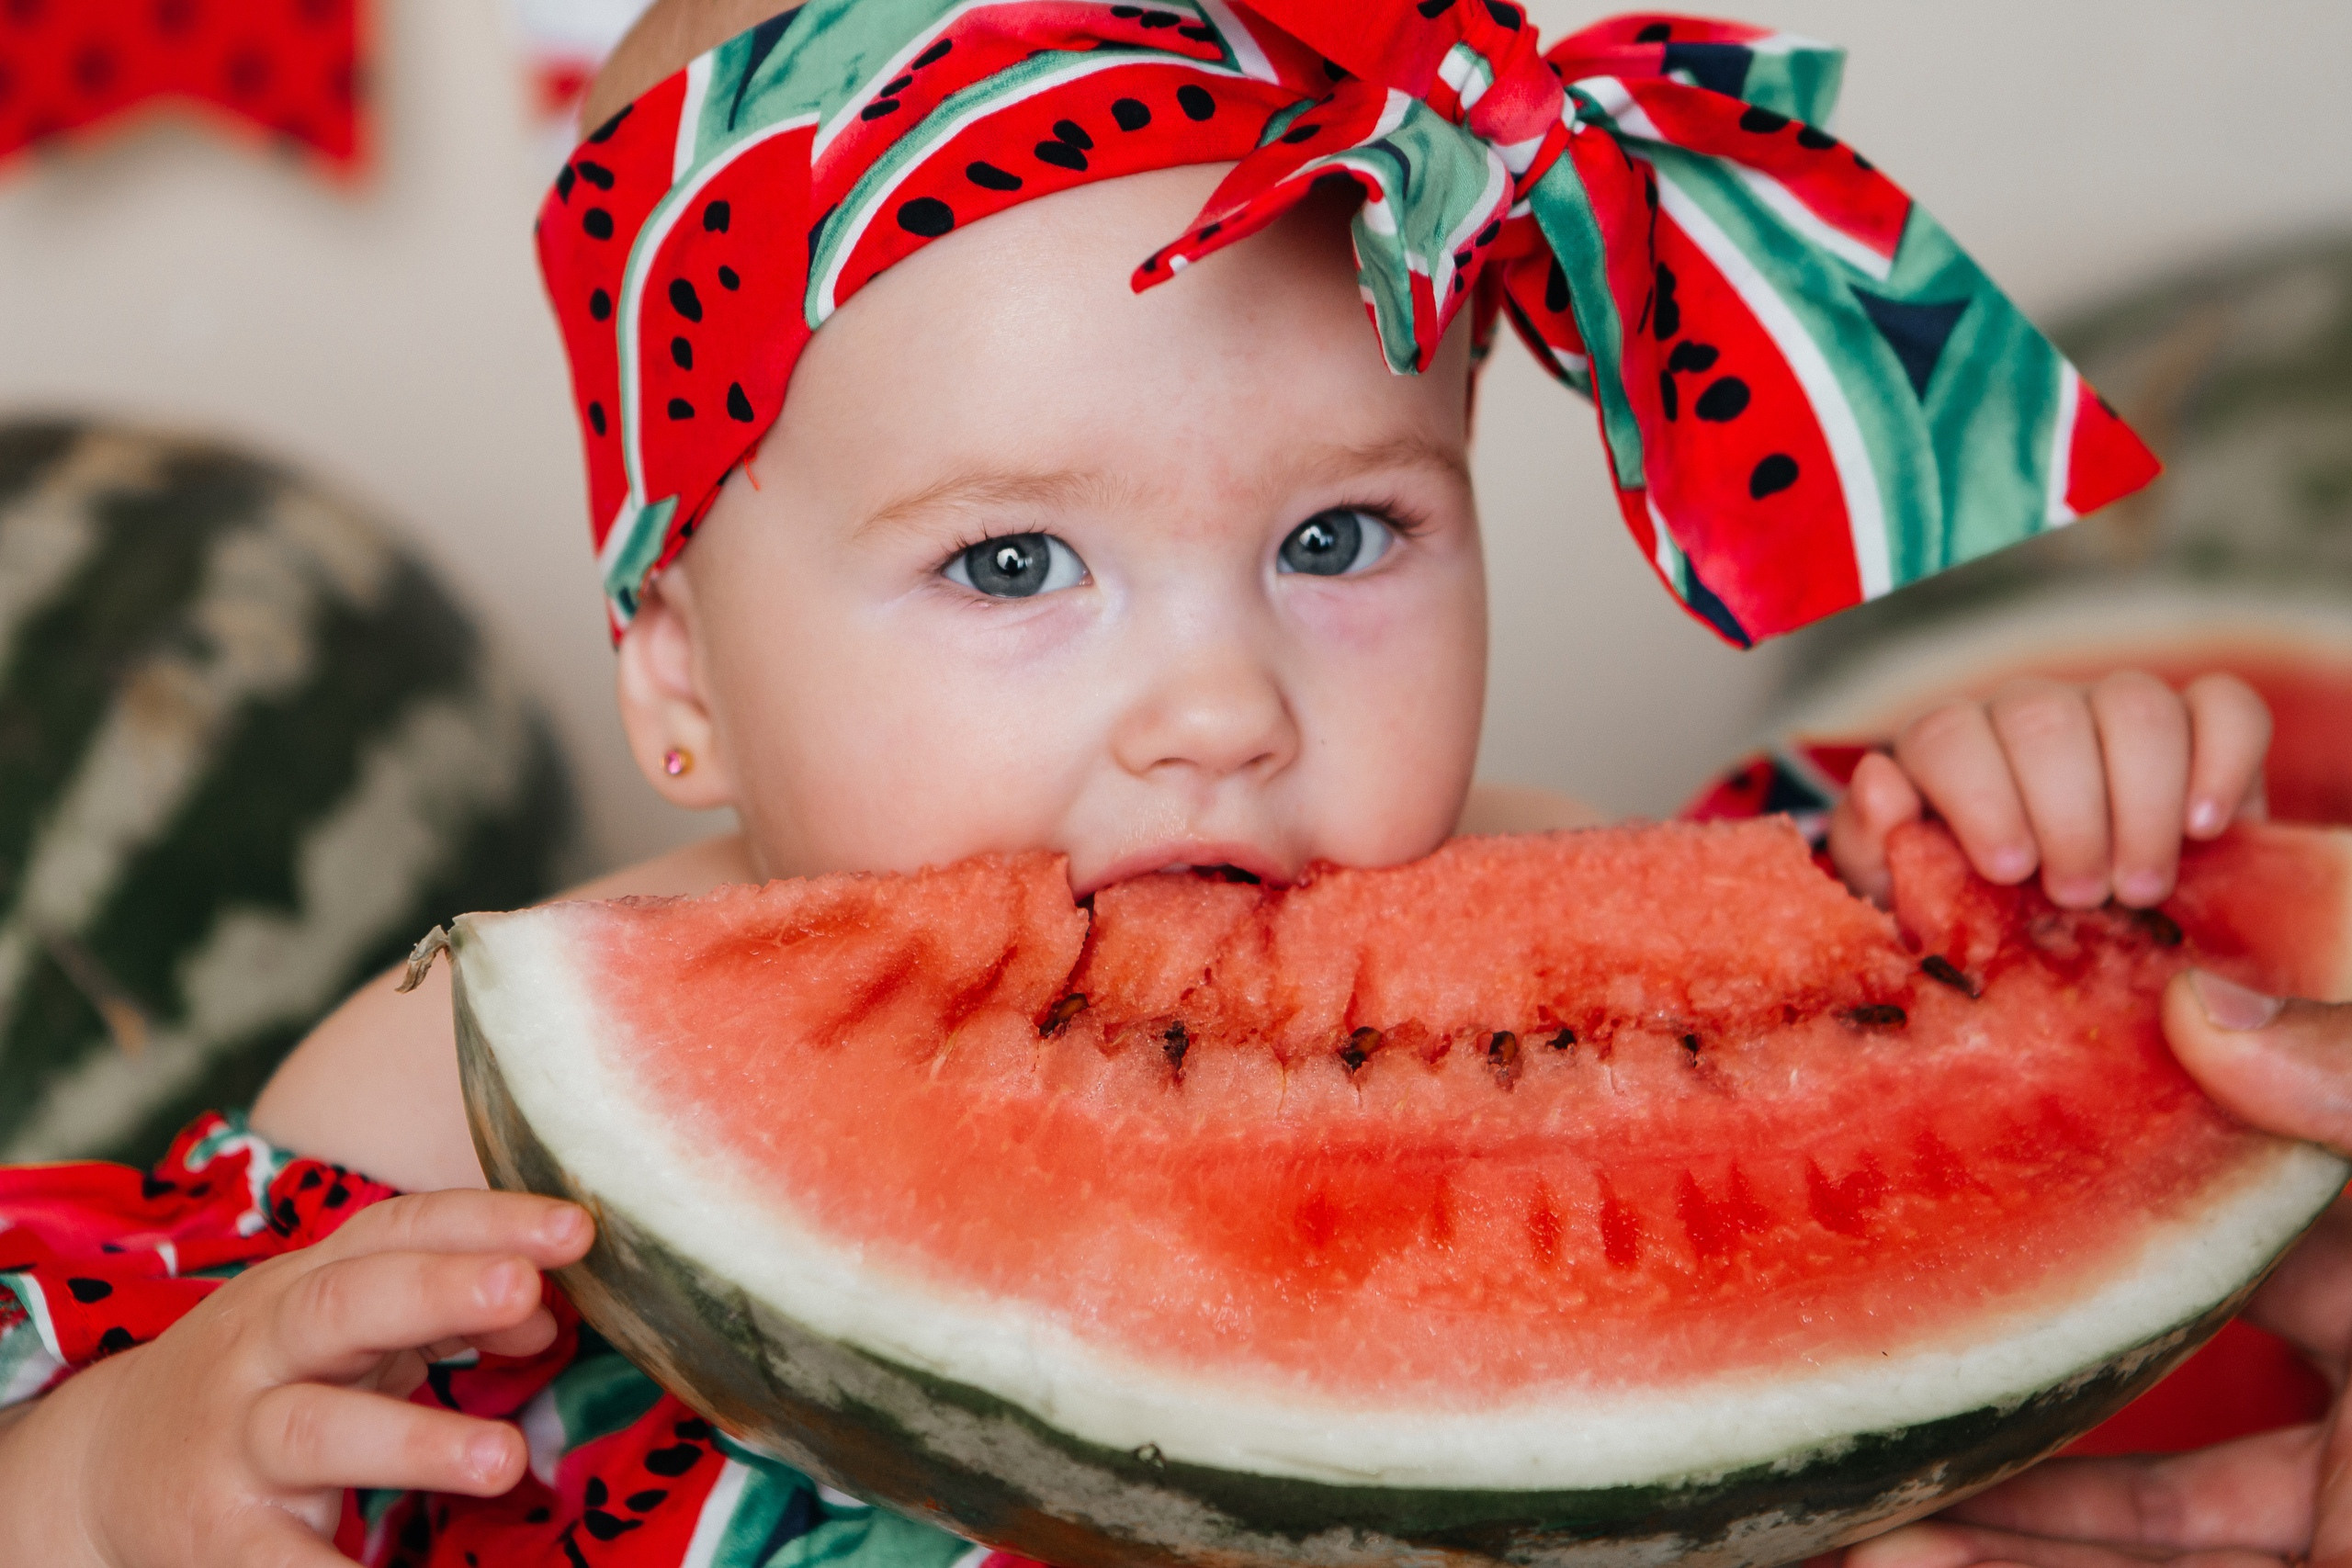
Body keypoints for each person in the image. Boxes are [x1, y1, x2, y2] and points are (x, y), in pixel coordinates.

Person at [0, 1, 2296, 1563]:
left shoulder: (1577, 933)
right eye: (1012, 561)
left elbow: (1892, 1063)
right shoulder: (460, 1081)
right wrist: (113, 1480)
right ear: (677, 670)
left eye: (1339, 536)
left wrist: (2036, 845)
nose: (1219, 703)